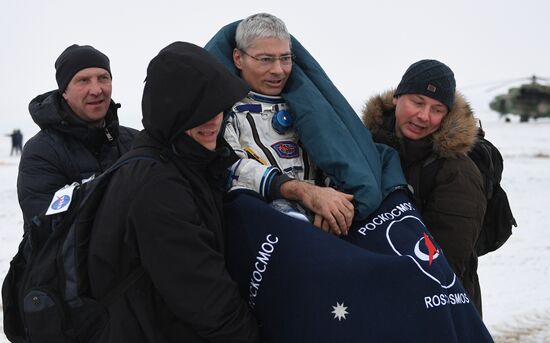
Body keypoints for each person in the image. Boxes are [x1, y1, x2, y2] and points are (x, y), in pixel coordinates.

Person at [87, 42, 260, 342]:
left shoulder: (185, 160)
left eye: (217, 105)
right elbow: (207, 301)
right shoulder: (158, 185)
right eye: (197, 111)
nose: (213, 119)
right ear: (172, 112)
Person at [361, 59, 486, 315]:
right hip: (373, 297)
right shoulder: (363, 147)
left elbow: (447, 260)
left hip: (438, 304)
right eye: (417, 102)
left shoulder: (457, 170)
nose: (424, 116)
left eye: (437, 109)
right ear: (397, 97)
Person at [214, 13, 356, 235]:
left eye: (285, 58)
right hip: (262, 226)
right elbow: (231, 168)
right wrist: (302, 193)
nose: (278, 70)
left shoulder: (312, 108)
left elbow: (336, 155)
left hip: (324, 219)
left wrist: (335, 199)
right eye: (266, 59)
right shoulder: (223, 112)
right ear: (238, 58)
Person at [17, 44, 137, 230]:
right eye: (83, 80)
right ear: (64, 91)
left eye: (103, 78)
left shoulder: (134, 141)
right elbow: (50, 232)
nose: (96, 90)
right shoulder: (42, 152)